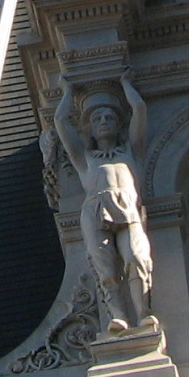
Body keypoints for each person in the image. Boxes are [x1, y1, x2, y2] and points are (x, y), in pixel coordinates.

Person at [51, 71, 154, 328]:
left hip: (128, 209)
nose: (104, 120)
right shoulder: (86, 159)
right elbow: (61, 121)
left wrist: (125, 84)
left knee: (137, 259)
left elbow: (139, 109)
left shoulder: (131, 151)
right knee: (106, 270)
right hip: (95, 211)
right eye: (98, 118)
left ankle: (143, 314)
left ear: (119, 125)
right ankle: (118, 317)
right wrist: (68, 92)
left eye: (109, 117)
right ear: (91, 130)